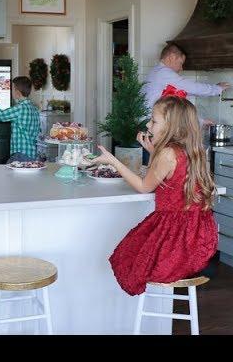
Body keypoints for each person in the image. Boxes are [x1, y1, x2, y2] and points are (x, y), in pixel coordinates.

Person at [87, 85, 218, 296]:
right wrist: (153, 151)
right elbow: (173, 171)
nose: (149, 125)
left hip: (174, 239)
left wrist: (114, 161)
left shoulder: (167, 153)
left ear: (171, 126)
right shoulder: (192, 150)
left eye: (154, 121)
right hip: (196, 238)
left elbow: (144, 186)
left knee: (126, 256)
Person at [144, 43, 230, 121]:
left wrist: (201, 122)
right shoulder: (163, 72)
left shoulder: (156, 72)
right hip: (152, 123)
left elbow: (184, 94)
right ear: (172, 57)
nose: (181, 69)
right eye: (181, 63)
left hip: (150, 122)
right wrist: (218, 89)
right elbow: (192, 87)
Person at [0, 76, 40, 164]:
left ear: (17, 92)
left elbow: (0, 115)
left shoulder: (19, 108)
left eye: (12, 89)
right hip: (31, 153)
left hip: (21, 154)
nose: (12, 92)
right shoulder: (33, 108)